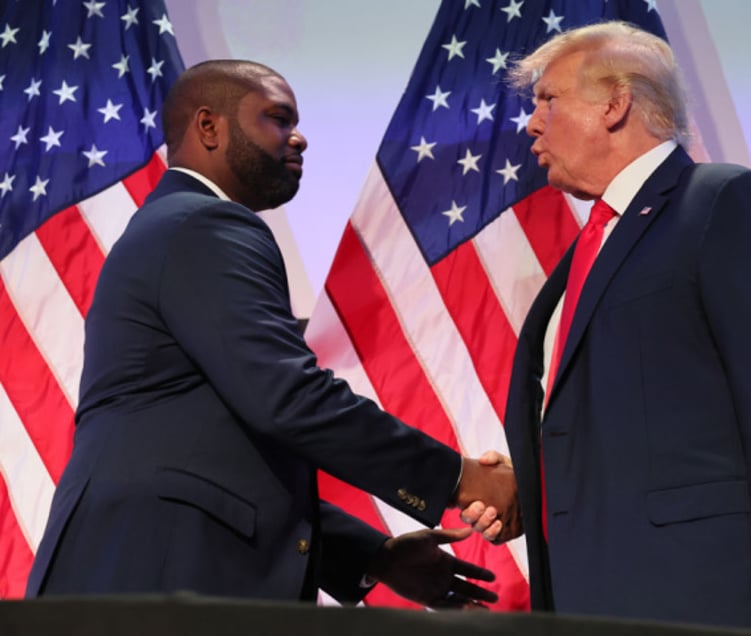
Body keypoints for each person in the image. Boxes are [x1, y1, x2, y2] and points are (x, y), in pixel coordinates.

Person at [25, 59, 519, 608]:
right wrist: (460, 478)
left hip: (136, 568)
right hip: (163, 576)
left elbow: (220, 447)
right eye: (278, 119)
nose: (298, 137)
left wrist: (372, 557)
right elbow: (287, 398)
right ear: (209, 126)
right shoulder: (206, 224)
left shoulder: (173, 225)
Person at [463, 20, 751, 632]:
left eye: (548, 101)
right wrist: (534, 484)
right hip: (590, 600)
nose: (532, 124)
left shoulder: (723, 202)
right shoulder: (589, 250)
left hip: (703, 598)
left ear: (615, 102)